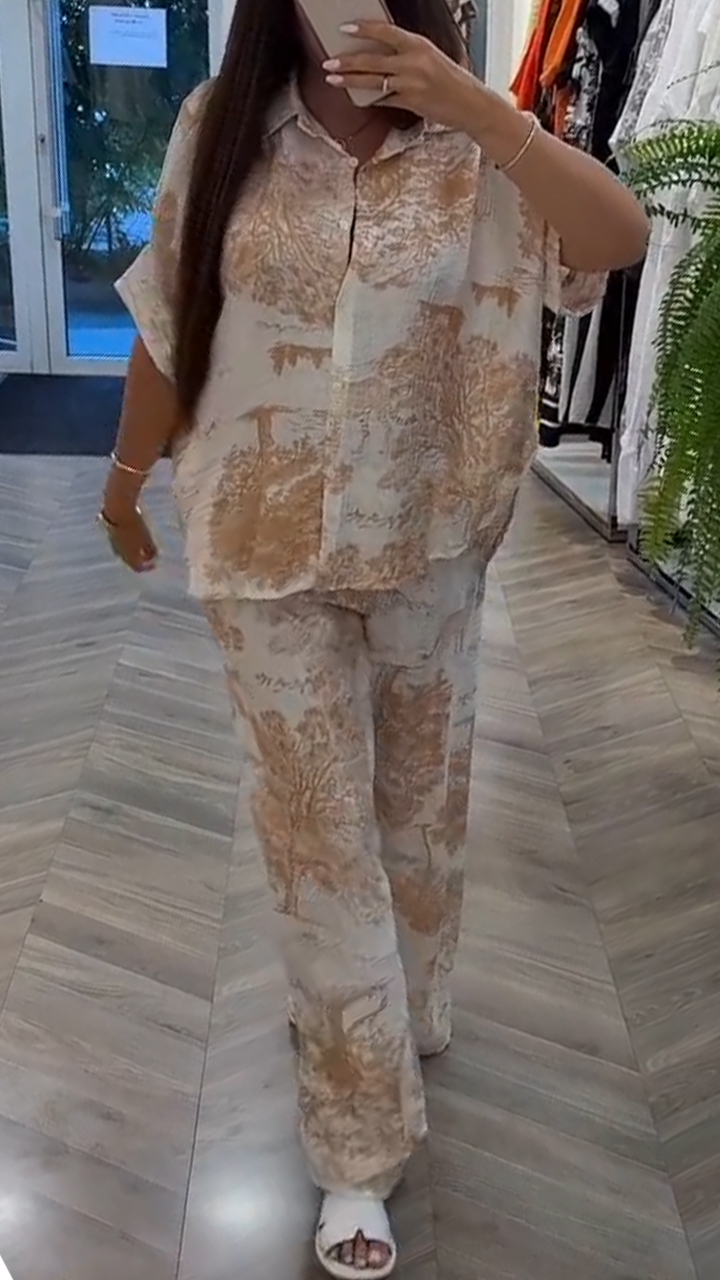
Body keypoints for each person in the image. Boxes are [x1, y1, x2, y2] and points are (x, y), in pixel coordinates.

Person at [99, 2, 649, 1274]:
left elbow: (614, 241)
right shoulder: (221, 123)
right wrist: (123, 483)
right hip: (261, 540)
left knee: (418, 807)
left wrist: (479, 111)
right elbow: (171, 319)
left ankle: (410, 1003)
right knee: (319, 837)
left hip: (430, 534)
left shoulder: (481, 136)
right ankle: (357, 1149)